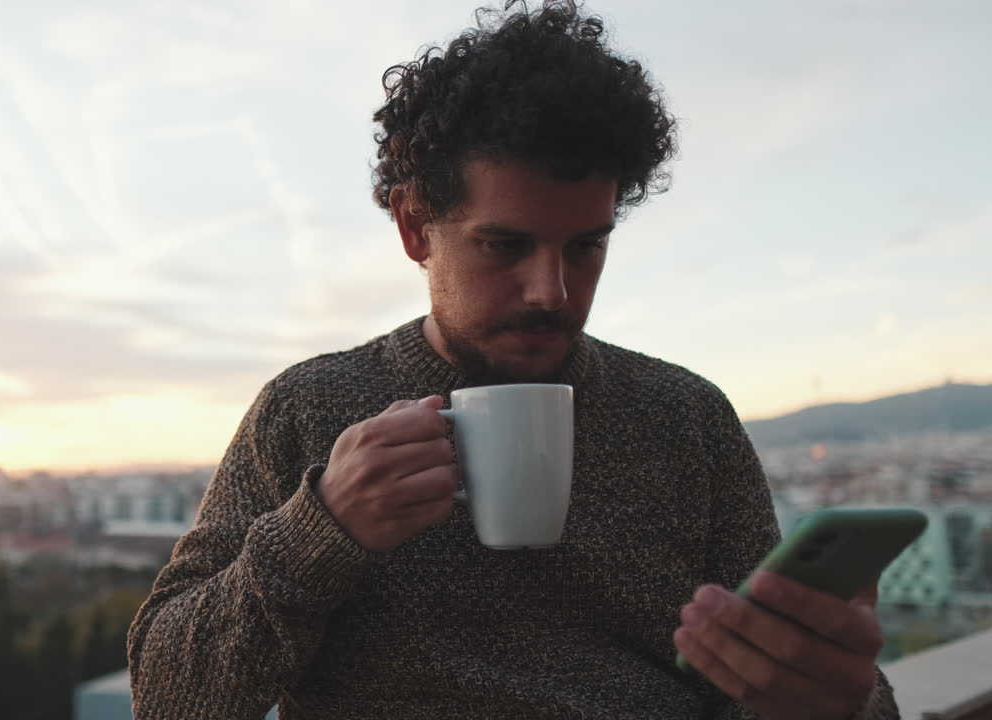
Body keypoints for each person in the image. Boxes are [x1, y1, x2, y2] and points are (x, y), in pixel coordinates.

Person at [127, 2, 900, 718]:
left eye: (586, 247)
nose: (552, 290)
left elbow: (785, 681)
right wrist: (324, 527)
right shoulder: (309, 410)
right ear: (414, 227)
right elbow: (166, 695)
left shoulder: (687, 419)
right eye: (505, 246)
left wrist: (842, 699)